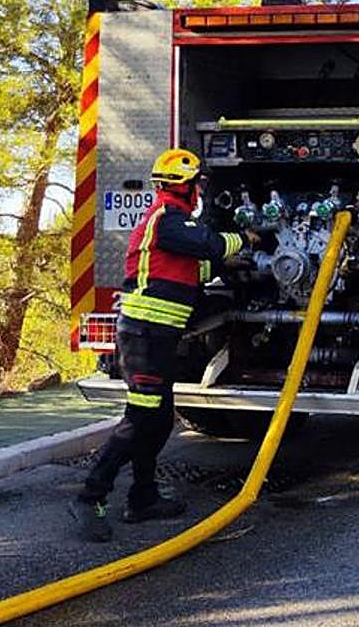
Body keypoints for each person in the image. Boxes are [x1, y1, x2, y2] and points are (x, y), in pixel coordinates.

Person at [73, 149, 258, 542]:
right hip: (143, 336)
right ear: (185, 186)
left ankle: (143, 498)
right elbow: (209, 245)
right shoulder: (166, 218)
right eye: (197, 184)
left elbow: (199, 266)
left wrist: (236, 270)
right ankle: (90, 497)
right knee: (139, 420)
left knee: (158, 420)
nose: (200, 191)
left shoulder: (174, 225)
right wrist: (247, 238)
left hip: (158, 336)